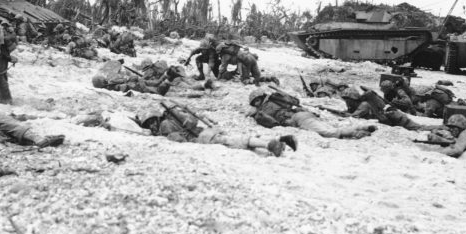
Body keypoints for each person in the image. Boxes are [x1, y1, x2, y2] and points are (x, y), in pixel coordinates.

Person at [136, 105, 296, 157]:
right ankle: (276, 140)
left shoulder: (165, 125)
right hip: (205, 131)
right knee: (237, 140)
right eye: (147, 124)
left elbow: (178, 141)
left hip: (202, 138)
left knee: (234, 141)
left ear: (156, 119)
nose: (151, 126)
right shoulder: (169, 120)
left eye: (151, 122)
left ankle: (270, 144)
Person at [248, 88, 376, 139]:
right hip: (303, 114)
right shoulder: (275, 99)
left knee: (327, 132)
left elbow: (272, 122)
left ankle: (356, 132)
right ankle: (361, 128)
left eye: (257, 101)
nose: (257, 104)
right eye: (255, 103)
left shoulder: (266, 107)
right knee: (330, 128)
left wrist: (255, 114)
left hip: (298, 118)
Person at [341, 87, 435, 131]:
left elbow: (354, 116)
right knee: (420, 127)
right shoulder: (361, 104)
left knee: (421, 128)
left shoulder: (364, 105)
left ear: (353, 98)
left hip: (397, 119)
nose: (346, 102)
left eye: (347, 99)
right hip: (394, 117)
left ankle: (444, 127)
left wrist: (344, 114)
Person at [92, 60, 170, 95]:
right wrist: (129, 82)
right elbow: (124, 87)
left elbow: (122, 81)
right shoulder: (110, 87)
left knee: (155, 83)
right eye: (103, 79)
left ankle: (164, 79)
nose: (105, 79)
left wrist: (129, 79)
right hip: (137, 86)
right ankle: (164, 81)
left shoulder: (110, 84)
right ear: (101, 83)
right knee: (156, 87)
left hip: (136, 84)